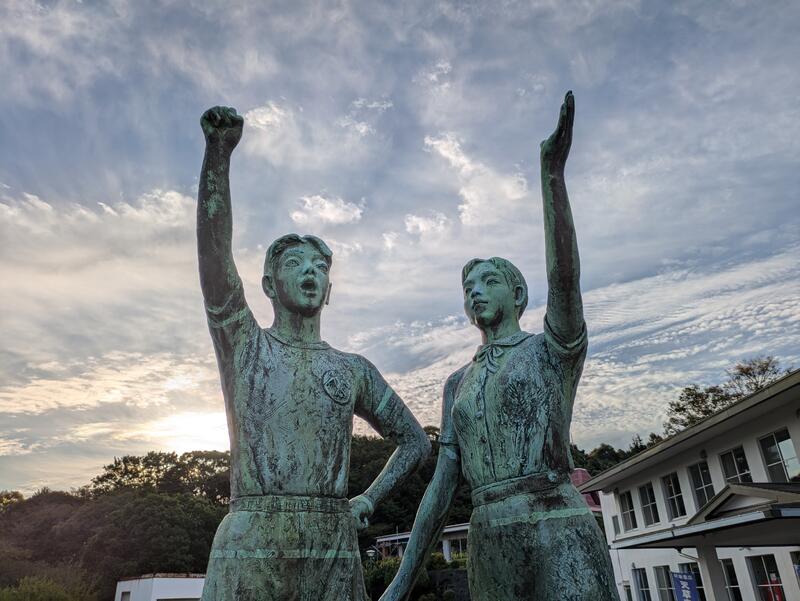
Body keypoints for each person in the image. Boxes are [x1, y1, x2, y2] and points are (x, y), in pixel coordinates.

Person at [380, 93, 618, 601]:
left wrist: (551, 176)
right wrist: (400, 582)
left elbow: (566, 281)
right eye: (469, 288)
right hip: (489, 535)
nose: (475, 292)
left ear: (518, 294)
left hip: (557, 522)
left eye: (489, 282)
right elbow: (442, 487)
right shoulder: (456, 384)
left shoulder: (550, 351)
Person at [197, 106, 430, 601]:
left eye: (320, 267)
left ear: (329, 289)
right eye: (295, 263)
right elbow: (215, 263)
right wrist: (218, 155)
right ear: (268, 284)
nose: (310, 271)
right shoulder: (246, 345)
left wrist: (368, 498)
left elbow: (415, 442)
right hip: (252, 537)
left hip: (332, 543)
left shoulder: (352, 369)